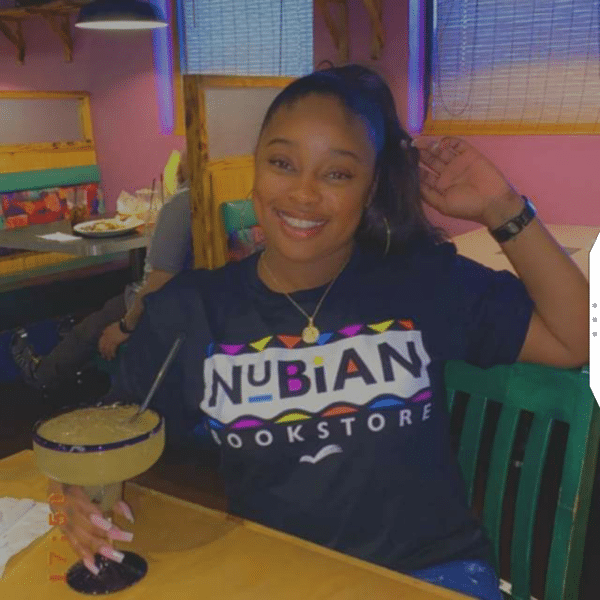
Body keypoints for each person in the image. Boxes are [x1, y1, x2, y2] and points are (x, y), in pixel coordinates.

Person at [48, 65, 588, 599]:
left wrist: (503, 208)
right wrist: (76, 495)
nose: (303, 194)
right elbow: (103, 438)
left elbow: (576, 339)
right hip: (282, 575)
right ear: (256, 169)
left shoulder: (422, 282)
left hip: (429, 575)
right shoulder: (190, 312)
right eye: (283, 163)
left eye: (337, 174)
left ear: (370, 189)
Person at [10, 153, 194, 389]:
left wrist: (125, 327)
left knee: (91, 327)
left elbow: (160, 280)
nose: (180, 155)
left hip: (163, 308)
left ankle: (41, 375)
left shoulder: (180, 205)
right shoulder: (206, 196)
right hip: (187, 302)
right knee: (105, 305)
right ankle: (76, 357)